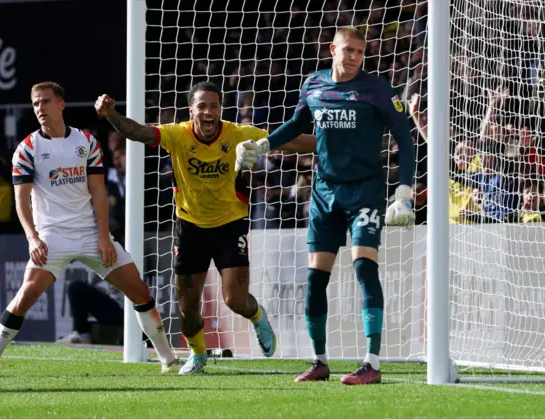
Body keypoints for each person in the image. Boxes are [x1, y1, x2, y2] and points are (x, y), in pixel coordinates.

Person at [95, 82, 315, 375]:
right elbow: (137, 132)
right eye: (202, 106)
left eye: (214, 106)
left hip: (230, 225)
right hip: (189, 228)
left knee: (235, 300)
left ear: (220, 110)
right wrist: (111, 115)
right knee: (187, 309)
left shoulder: (238, 133)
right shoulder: (177, 134)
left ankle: (258, 317)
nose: (208, 112)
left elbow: (288, 140)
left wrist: (336, 139)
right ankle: (198, 355)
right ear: (191, 110)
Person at [235, 27, 415, 384]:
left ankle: (373, 363)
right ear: (333, 49)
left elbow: (405, 141)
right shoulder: (313, 85)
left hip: (364, 191)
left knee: (365, 268)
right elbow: (297, 124)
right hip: (323, 192)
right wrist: (264, 144)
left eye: (360, 53)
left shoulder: (377, 89)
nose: (353, 58)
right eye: (348, 50)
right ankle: (319, 362)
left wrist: (404, 193)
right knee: (316, 279)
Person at [0, 82, 179, 378]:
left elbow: (98, 191)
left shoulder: (86, 142)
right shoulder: (28, 148)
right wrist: (33, 238)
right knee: (26, 296)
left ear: (61, 104)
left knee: (139, 290)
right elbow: (21, 200)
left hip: (90, 233)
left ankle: (168, 360)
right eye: (36, 104)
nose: (40, 108)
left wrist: (104, 237)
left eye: (45, 102)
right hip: (52, 237)